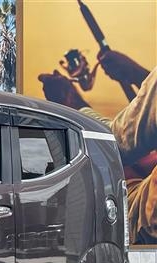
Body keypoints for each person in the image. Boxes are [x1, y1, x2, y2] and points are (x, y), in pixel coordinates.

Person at [39, 51, 157, 244]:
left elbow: (113, 147)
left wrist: (71, 106)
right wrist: (137, 74)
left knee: (111, 171)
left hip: (148, 217)